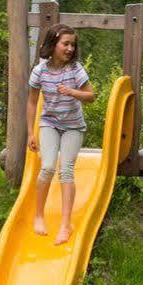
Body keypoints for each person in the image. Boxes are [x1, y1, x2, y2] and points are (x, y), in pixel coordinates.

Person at [26, 23, 96, 245]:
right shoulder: (40, 71)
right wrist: (31, 132)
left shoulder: (76, 69)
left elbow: (91, 96)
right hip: (49, 124)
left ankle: (66, 225)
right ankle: (39, 215)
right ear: (53, 44)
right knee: (47, 167)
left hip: (73, 127)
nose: (69, 49)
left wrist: (73, 92)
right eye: (65, 44)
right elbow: (31, 102)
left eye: (73, 45)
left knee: (66, 170)